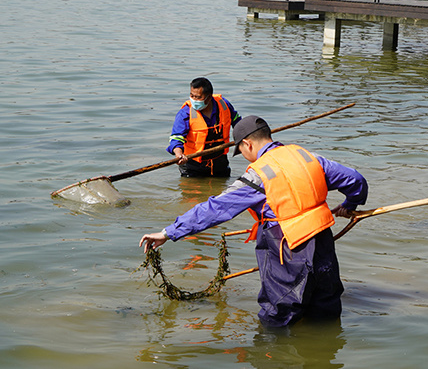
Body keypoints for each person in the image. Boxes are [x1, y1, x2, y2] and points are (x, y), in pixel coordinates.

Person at [141, 115, 368, 327]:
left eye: (241, 150)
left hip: (288, 248)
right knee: (325, 308)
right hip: (322, 241)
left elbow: (216, 208)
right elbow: (355, 180)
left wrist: (169, 232)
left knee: (279, 313)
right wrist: (350, 204)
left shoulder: (259, 174)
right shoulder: (308, 157)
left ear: (247, 144)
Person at [167, 77, 241, 177]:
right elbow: (176, 138)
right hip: (193, 165)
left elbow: (238, 123)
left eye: (198, 97)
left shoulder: (224, 105)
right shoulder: (185, 113)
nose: (194, 100)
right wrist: (179, 154)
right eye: (191, 96)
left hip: (220, 162)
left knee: (223, 190)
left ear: (209, 97)